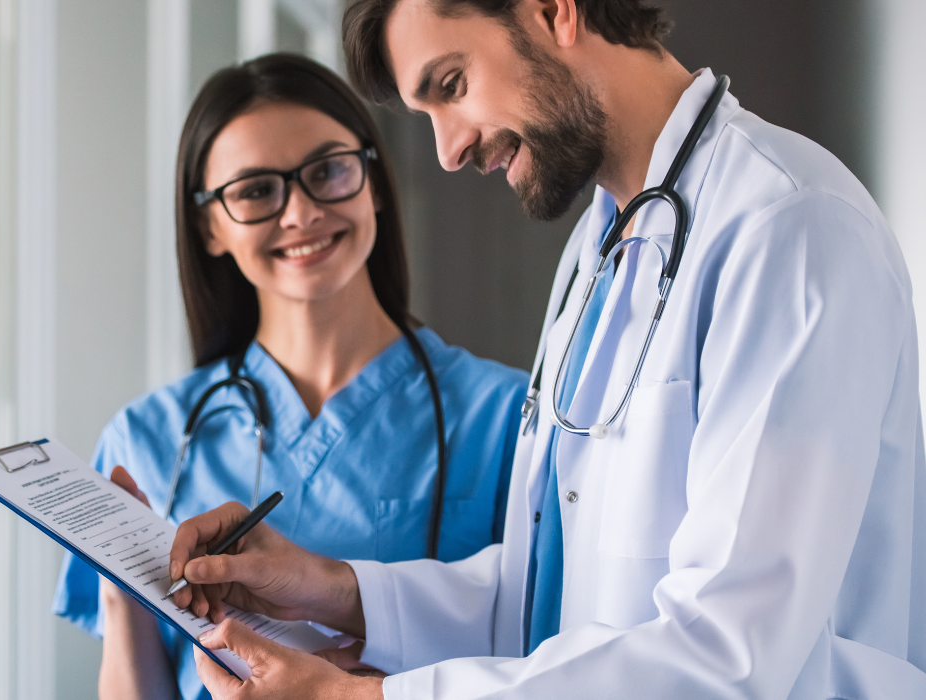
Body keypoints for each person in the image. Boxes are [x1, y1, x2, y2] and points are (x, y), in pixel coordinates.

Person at [164, 1, 926, 699]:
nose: (449, 150)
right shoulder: (599, 249)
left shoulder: (787, 228)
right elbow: (550, 592)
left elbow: (731, 652)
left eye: (452, 85)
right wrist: (332, 589)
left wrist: (366, 696)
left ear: (555, 11)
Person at [51, 52, 529, 700]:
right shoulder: (145, 440)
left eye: (328, 171)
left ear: (375, 181)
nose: (300, 213)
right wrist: (124, 591)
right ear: (210, 225)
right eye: (255, 190)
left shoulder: (508, 418)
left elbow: (547, 654)